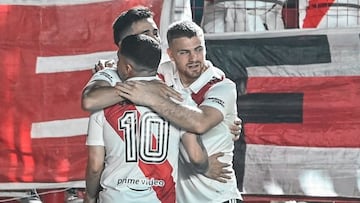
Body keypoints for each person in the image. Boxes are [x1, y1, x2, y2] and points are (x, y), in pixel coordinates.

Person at [116, 20, 242, 202]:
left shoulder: (222, 86)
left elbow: (200, 123)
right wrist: (106, 68)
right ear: (171, 54)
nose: (194, 59)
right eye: (184, 52)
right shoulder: (164, 73)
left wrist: (150, 98)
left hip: (218, 196)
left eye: (199, 49)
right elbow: (127, 71)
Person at [84, 34, 210, 203]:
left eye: (118, 59)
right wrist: (205, 167)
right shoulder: (179, 99)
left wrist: (90, 196)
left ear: (127, 68)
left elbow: (95, 165)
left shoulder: (102, 104)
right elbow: (196, 156)